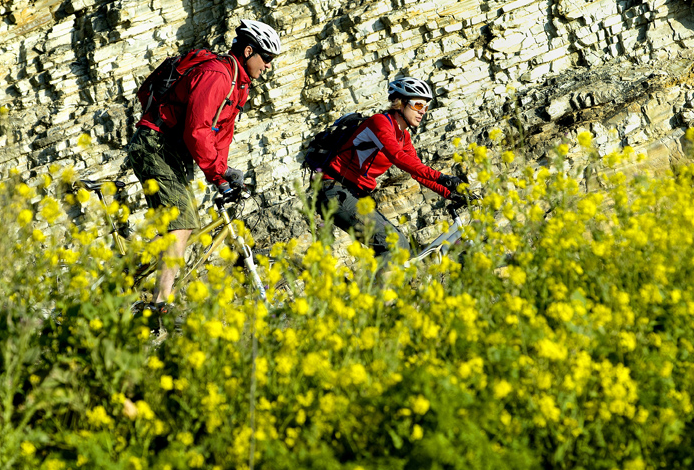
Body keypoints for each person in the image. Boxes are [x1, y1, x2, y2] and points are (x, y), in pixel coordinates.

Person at [127, 19, 282, 309]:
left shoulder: (239, 85)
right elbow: (197, 130)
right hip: (155, 144)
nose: (269, 66)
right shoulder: (217, 75)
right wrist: (216, 174)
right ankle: (162, 302)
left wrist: (223, 173)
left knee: (182, 222)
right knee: (182, 223)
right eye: (267, 58)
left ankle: (131, 275)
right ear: (249, 51)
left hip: (172, 150)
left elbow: (220, 135)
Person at [316, 76, 468, 264]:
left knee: (402, 249)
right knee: (394, 246)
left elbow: (417, 172)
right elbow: (397, 158)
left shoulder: (403, 136)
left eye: (426, 108)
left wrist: (450, 193)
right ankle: (374, 292)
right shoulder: (379, 123)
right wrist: (444, 177)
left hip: (355, 195)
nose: (423, 112)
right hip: (335, 191)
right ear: (401, 103)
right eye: (418, 106)